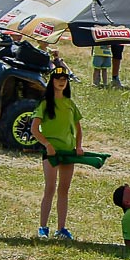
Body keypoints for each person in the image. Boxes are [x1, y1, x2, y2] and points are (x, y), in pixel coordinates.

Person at [31, 66, 82, 240]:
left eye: (64, 79)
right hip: (51, 153)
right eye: (58, 79)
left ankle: (61, 228)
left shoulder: (70, 104)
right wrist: (47, 144)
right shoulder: (45, 103)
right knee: (50, 188)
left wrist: (78, 146)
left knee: (64, 189)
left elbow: (78, 128)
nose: (61, 82)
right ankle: (43, 227)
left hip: (68, 151)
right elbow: (34, 128)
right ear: (52, 81)